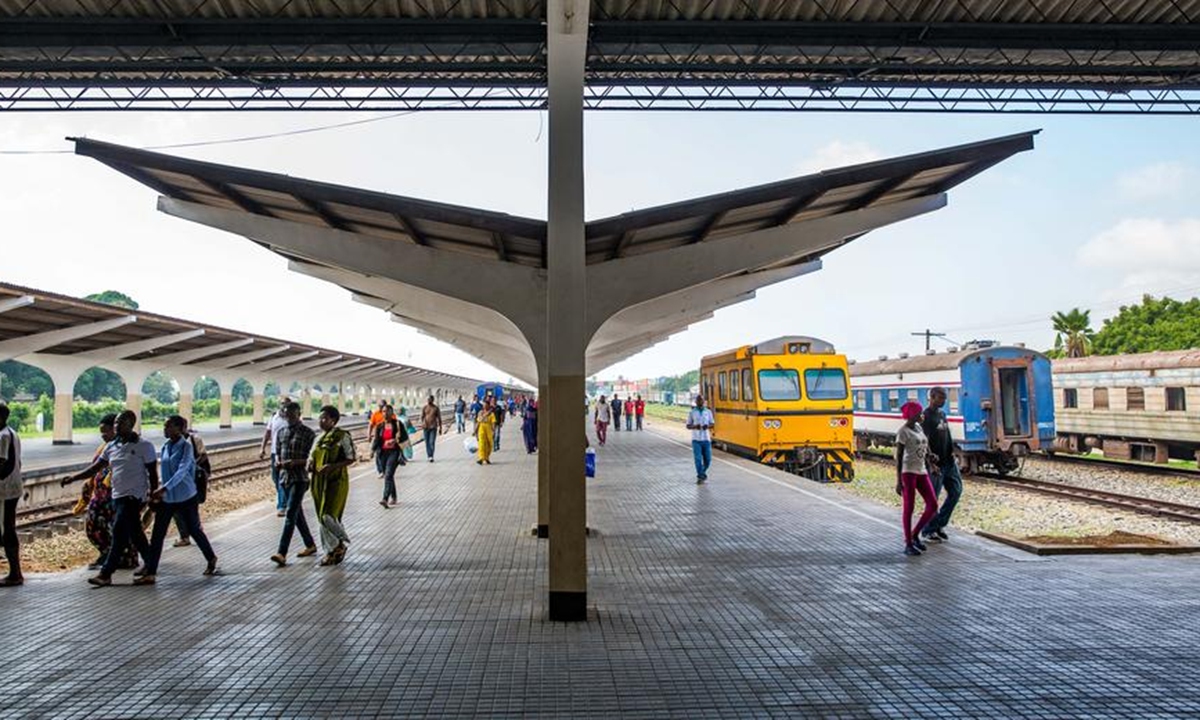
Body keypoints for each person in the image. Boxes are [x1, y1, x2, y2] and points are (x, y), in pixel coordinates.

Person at [63, 410, 158, 587]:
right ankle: (150, 569)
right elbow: (96, 468)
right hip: (117, 496)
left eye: (120, 422)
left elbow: (153, 473)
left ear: (130, 424)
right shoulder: (111, 446)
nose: (116, 426)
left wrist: (153, 495)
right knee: (136, 534)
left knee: (118, 533)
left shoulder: (144, 446)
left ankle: (106, 573)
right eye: (115, 423)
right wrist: (73, 478)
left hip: (133, 496)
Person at [138, 415, 218, 584]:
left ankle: (211, 558)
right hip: (168, 499)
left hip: (186, 497)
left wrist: (164, 488)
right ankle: (151, 572)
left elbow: (182, 471)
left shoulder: (186, 447)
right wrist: (160, 489)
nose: (164, 429)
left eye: (168, 426)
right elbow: (165, 471)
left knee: (194, 530)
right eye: (164, 426)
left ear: (179, 428)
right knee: (158, 535)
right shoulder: (166, 446)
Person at [271, 401, 319, 566]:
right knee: (297, 514)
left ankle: (281, 552)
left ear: (299, 414)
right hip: (285, 478)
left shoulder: (309, 434)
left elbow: (312, 460)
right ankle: (310, 544)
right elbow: (277, 452)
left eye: (292, 415)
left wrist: (295, 462)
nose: (289, 418)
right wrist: (278, 462)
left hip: (300, 479)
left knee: (290, 513)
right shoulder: (282, 432)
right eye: (286, 415)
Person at [309, 405, 356, 565]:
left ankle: (341, 541)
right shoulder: (318, 439)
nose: (321, 421)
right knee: (321, 517)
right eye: (320, 418)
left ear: (333, 420)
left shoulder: (342, 436)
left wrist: (332, 467)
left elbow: (351, 458)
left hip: (336, 481)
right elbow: (311, 457)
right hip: (318, 482)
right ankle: (332, 551)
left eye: (325, 418)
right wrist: (309, 464)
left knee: (327, 515)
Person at [895, 401, 938, 557]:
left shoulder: (919, 428)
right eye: (919, 413)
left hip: (922, 470)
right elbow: (898, 457)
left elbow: (925, 446)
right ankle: (908, 543)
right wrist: (899, 480)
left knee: (932, 505)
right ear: (912, 415)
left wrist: (931, 461)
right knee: (909, 508)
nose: (922, 415)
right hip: (908, 472)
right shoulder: (903, 432)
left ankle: (915, 534)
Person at [921, 387, 960, 543]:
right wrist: (930, 463)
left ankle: (939, 524)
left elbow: (947, 435)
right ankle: (928, 530)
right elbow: (924, 441)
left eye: (945, 398)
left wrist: (952, 452)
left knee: (956, 491)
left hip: (948, 462)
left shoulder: (942, 415)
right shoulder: (926, 417)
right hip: (936, 465)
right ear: (932, 397)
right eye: (941, 398)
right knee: (933, 499)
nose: (944, 401)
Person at [0, 403, 24, 587]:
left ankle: (15, 574)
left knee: (6, 528)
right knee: (8, 526)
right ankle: (15, 572)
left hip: (4, 489)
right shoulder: (12, 432)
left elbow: (2, 465)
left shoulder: (2, 436)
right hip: (13, 486)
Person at [259, 397, 292, 517]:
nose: (284, 406)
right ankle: (287, 500)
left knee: (282, 480)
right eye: (282, 404)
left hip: (286, 454)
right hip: (274, 453)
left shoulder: (291, 419)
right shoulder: (274, 417)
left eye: (286, 404)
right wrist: (262, 448)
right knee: (276, 478)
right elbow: (267, 433)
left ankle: (282, 506)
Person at [373, 405, 407, 506]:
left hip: (394, 452)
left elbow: (405, 439)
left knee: (388, 475)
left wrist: (394, 441)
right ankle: (394, 497)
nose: (385, 414)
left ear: (392, 413)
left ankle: (385, 498)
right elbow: (377, 440)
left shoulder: (397, 424)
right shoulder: (379, 426)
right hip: (382, 454)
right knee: (389, 476)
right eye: (383, 412)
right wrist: (372, 450)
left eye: (387, 412)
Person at [686, 395, 715, 484]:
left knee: (708, 460)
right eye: (698, 400)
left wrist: (708, 426)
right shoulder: (692, 412)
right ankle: (701, 476)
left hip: (706, 439)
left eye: (701, 400)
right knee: (698, 459)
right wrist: (695, 426)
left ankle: (701, 473)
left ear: (704, 401)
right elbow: (688, 425)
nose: (700, 402)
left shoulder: (708, 412)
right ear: (696, 402)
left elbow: (712, 424)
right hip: (696, 440)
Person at [368, 400, 387, 477]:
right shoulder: (375, 414)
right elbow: (371, 425)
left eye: (382, 406)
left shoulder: (389, 413)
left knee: (385, 454)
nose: (380, 407)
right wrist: (369, 434)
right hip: (378, 437)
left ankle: (385, 469)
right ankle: (380, 471)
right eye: (379, 406)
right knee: (378, 454)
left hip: (387, 437)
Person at [421, 395, 443, 462]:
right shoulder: (424, 407)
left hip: (433, 427)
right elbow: (422, 416)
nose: (428, 401)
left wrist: (440, 428)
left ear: (433, 400)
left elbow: (439, 418)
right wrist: (423, 423)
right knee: (427, 442)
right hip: (425, 427)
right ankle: (429, 456)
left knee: (431, 442)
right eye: (428, 399)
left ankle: (431, 456)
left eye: (430, 399)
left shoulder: (436, 408)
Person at [475, 397, 497, 465]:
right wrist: (475, 431)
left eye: (486, 405)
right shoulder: (480, 413)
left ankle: (487, 458)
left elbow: (493, 423)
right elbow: (478, 422)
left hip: (489, 429)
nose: (485, 407)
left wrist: (493, 430)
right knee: (481, 444)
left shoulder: (491, 414)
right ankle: (481, 458)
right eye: (484, 405)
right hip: (481, 429)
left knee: (489, 445)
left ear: (488, 406)